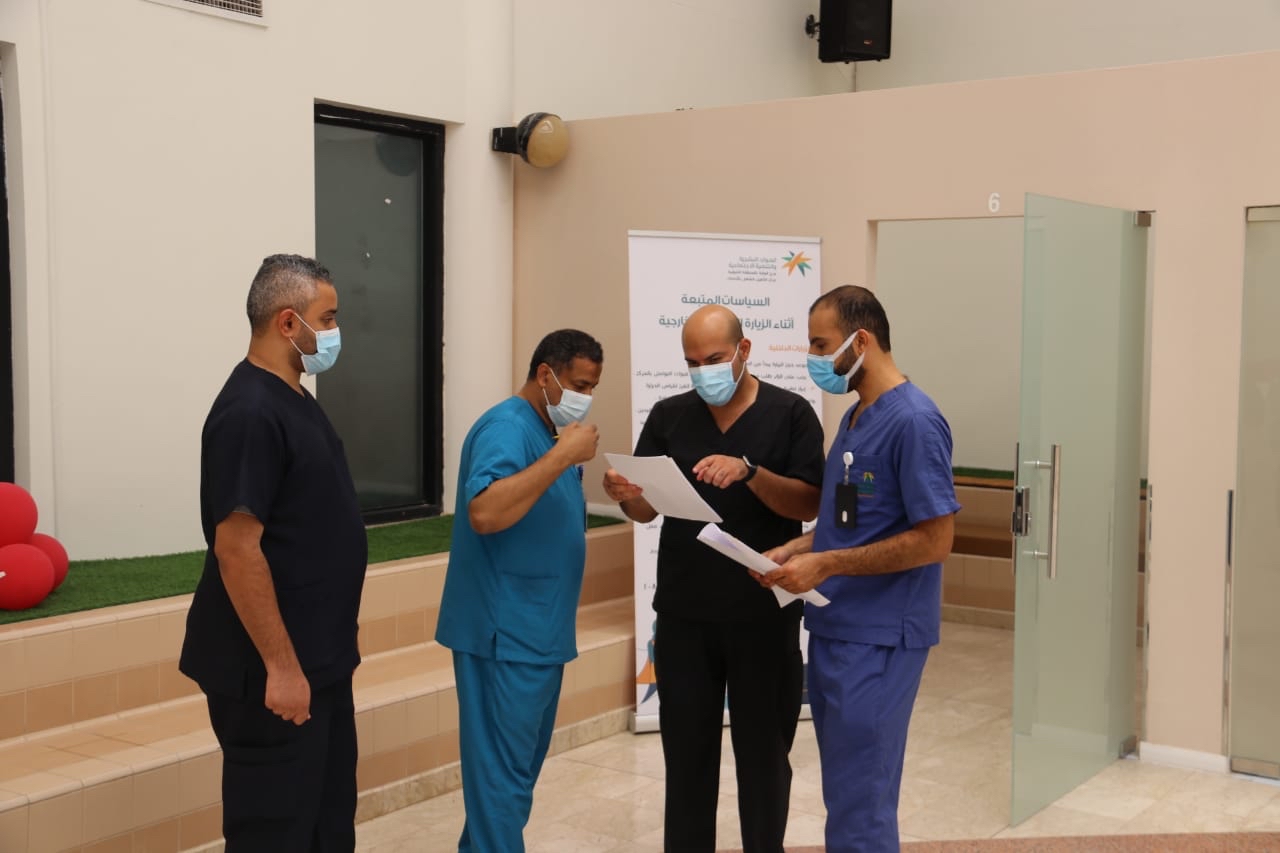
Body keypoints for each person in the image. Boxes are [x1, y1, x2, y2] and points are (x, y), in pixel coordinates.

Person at [603, 304, 824, 853]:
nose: (704, 371)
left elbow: (810, 502)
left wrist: (750, 473)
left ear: (744, 350)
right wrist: (627, 496)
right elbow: (645, 509)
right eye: (693, 362)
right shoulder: (670, 416)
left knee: (764, 760)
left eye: (715, 358)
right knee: (687, 762)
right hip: (685, 616)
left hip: (762, 615)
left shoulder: (790, 413)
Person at [761, 285, 960, 853]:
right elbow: (855, 522)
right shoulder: (856, 418)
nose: (813, 358)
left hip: (879, 638)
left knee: (862, 802)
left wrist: (826, 562)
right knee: (847, 792)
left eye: (821, 346)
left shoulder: (915, 421)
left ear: (861, 340)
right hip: (836, 629)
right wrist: (798, 548)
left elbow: (935, 540)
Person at [179, 254, 367, 853]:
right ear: (289, 323)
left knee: (326, 825)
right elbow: (237, 550)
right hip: (272, 675)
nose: (334, 332)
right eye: (327, 319)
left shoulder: (294, 398)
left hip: (319, 664)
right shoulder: (250, 412)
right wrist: (283, 669)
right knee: (276, 833)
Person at [435, 329, 603, 853]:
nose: (586, 397)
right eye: (579, 384)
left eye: (593, 387)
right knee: (501, 784)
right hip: (503, 633)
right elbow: (485, 512)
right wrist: (562, 457)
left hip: (537, 631)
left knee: (512, 780)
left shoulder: (546, 431)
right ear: (545, 374)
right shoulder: (507, 427)